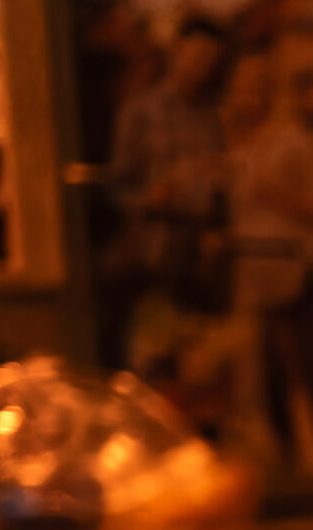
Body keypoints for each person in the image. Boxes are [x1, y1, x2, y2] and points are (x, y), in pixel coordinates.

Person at [228, 61, 313, 463]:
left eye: (260, 90)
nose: (251, 99)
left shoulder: (295, 143)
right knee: (269, 378)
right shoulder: (239, 147)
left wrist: (272, 192)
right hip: (256, 270)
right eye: (245, 90)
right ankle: (287, 463)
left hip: (296, 267)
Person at [106, 15, 229, 312]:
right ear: (178, 50)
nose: (201, 65)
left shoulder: (215, 115)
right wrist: (148, 199)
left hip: (200, 252)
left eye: (210, 59)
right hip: (153, 249)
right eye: (196, 55)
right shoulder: (142, 112)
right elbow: (119, 185)